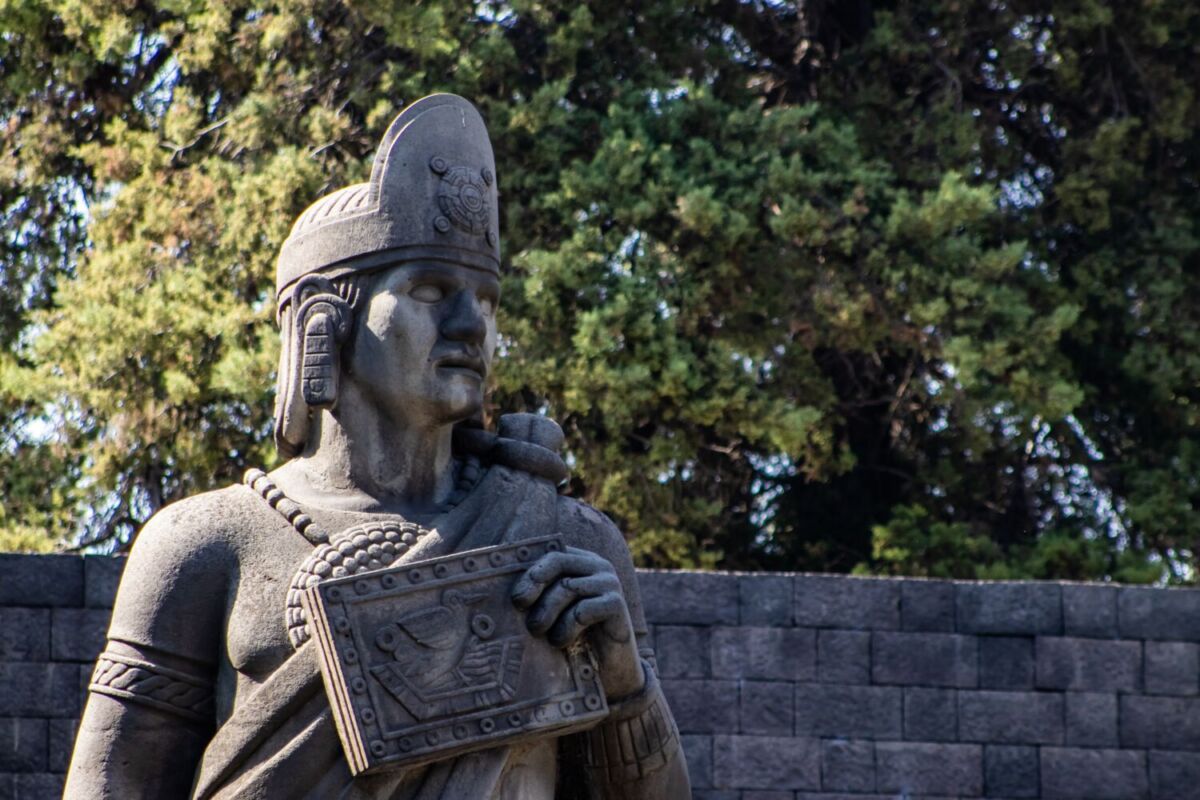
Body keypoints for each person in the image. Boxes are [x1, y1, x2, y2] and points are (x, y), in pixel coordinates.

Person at [64, 94, 690, 799]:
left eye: (485, 299)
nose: (470, 326)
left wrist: (626, 688)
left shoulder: (564, 543)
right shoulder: (204, 544)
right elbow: (111, 785)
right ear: (324, 323)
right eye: (429, 289)